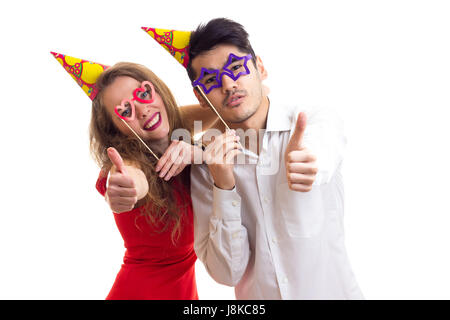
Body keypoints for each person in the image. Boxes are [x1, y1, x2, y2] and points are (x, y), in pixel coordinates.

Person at [183, 18, 364, 299]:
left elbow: (323, 150)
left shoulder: (311, 122)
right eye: (211, 80)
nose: (229, 85)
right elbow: (226, 273)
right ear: (201, 97)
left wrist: (310, 163)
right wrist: (223, 187)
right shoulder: (206, 162)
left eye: (235, 68)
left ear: (261, 68)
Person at [52, 52, 215, 299]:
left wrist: (199, 153)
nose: (142, 110)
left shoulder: (176, 134)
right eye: (125, 110)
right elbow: (130, 177)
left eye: (144, 93)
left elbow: (220, 110)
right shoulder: (127, 162)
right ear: (115, 129)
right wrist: (123, 188)